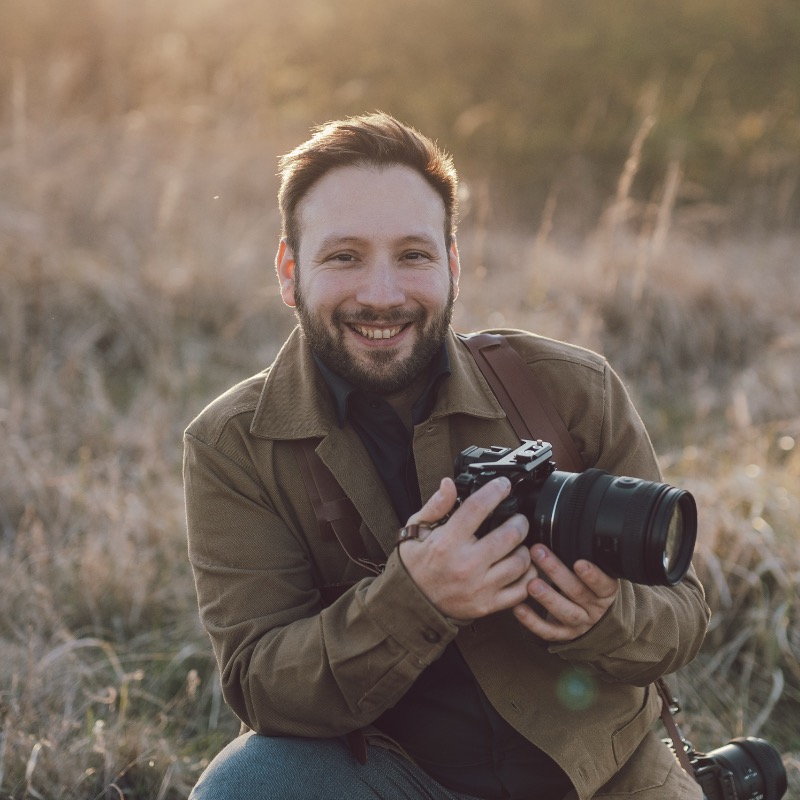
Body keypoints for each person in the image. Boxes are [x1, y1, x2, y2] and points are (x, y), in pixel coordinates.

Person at [183, 112, 710, 800]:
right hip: (398, 775)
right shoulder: (233, 445)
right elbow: (262, 689)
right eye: (344, 256)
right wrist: (417, 597)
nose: (382, 295)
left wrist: (604, 618)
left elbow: (683, 614)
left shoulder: (571, 388)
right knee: (246, 789)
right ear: (290, 272)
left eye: (413, 255)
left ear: (453, 264)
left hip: (606, 772)